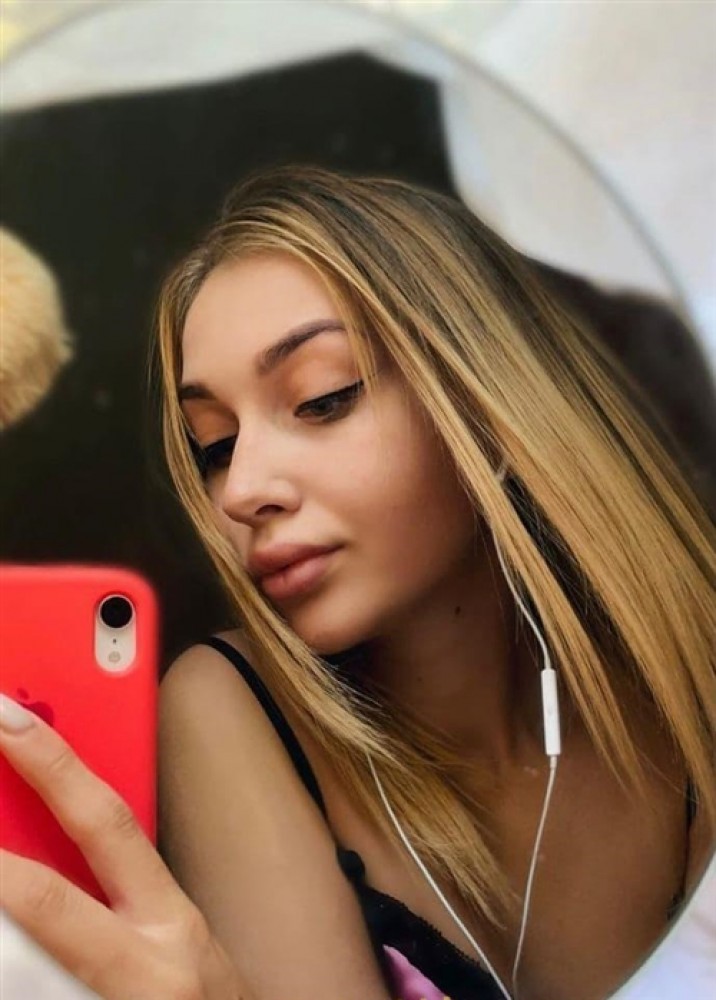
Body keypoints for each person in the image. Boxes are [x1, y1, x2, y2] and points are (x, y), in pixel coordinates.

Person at [0, 164, 713, 1000]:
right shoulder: (234, 707)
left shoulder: (687, 693)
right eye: (215, 446)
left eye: (322, 398)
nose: (239, 490)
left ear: (488, 405)